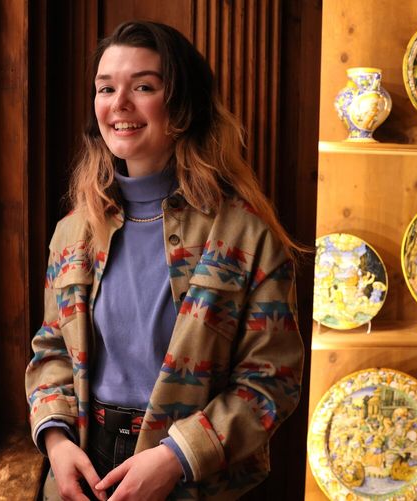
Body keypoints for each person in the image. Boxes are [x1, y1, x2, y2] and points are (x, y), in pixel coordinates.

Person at [24, 20, 304, 501]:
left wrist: (176, 456)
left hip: (193, 474)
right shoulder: (73, 232)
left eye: (144, 87)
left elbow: (270, 381)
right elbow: (52, 350)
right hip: (82, 462)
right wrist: (56, 441)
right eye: (106, 88)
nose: (119, 104)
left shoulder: (244, 235)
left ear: (182, 105)